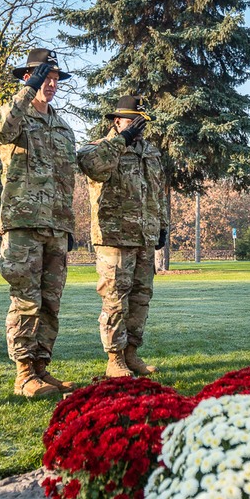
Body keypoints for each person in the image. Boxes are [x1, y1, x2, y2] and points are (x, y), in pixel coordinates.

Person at [0, 48, 76, 398]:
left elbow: (67, 179)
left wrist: (67, 226)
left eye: (55, 80)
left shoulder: (63, 127)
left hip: (56, 225)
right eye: (44, 78)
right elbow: (1, 128)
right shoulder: (15, 118)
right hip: (23, 223)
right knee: (26, 299)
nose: (51, 85)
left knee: (51, 301)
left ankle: (41, 368)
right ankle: (23, 373)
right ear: (28, 78)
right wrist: (28, 90)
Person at [77, 96, 168, 377]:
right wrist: (123, 139)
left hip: (144, 236)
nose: (139, 128)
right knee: (115, 299)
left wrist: (162, 225)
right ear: (117, 121)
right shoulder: (99, 149)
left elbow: (157, 192)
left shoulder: (150, 152)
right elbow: (92, 166)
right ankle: (114, 358)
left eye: (142, 122)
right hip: (114, 237)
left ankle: (131, 353)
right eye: (133, 121)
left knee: (141, 298)